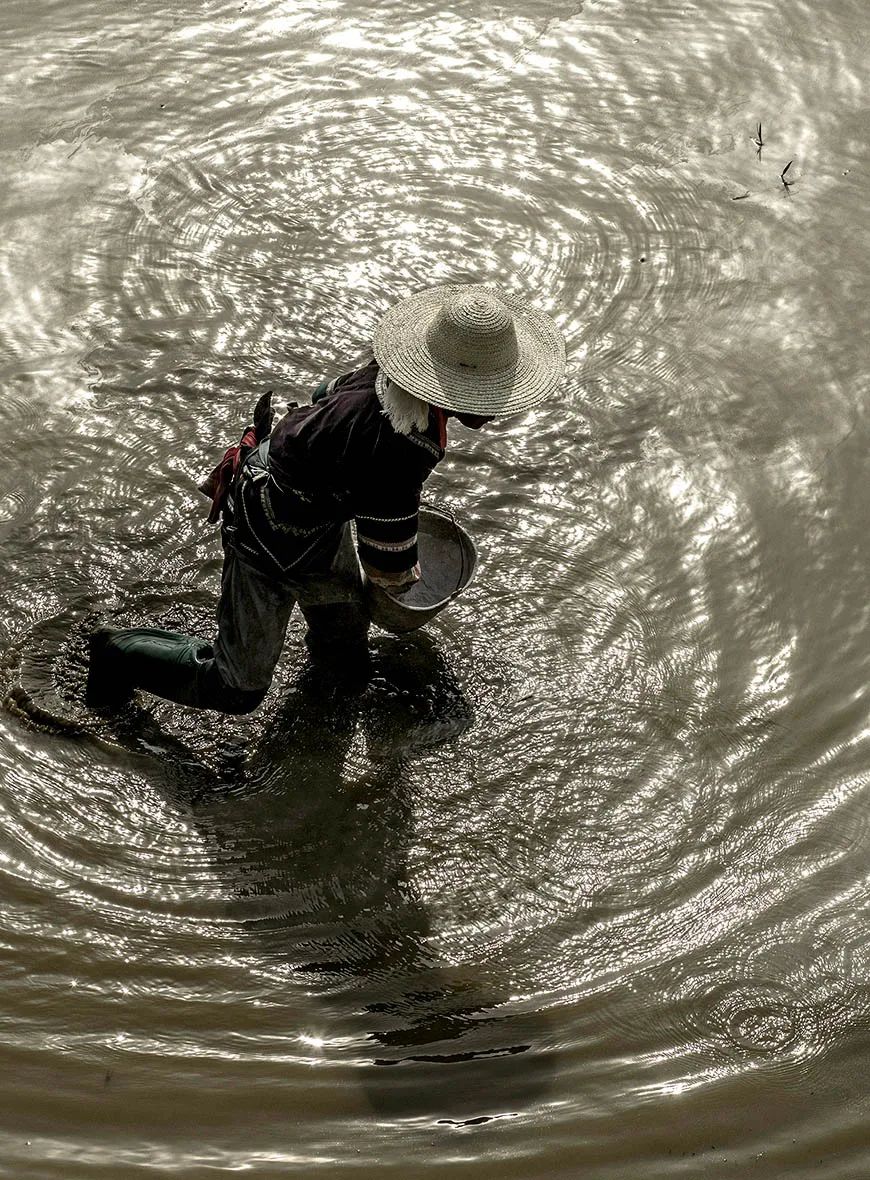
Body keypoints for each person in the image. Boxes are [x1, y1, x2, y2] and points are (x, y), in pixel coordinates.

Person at [86, 283, 566, 713]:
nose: (500, 409)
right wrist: (404, 593)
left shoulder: (387, 374)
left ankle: (329, 691)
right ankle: (116, 653)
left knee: (344, 644)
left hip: (310, 503)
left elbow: (321, 395)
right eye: (496, 393)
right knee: (237, 689)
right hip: (270, 527)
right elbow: (388, 562)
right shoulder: (405, 445)